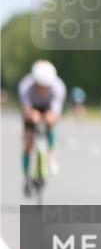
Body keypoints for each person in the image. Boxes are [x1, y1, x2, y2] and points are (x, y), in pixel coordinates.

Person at [19, 60, 66, 194]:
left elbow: (56, 112)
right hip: (32, 107)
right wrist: (31, 115)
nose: (44, 89)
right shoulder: (25, 86)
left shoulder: (59, 87)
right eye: (41, 86)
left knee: (51, 123)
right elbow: (26, 109)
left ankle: (51, 154)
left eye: (47, 87)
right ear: (35, 82)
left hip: (48, 108)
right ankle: (26, 176)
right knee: (28, 142)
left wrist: (49, 118)